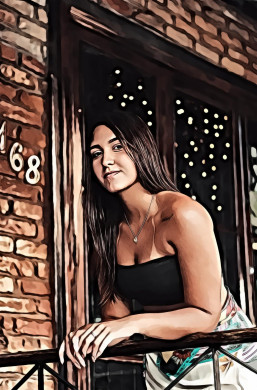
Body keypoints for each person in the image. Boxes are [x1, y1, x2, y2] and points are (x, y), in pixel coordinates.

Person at [59, 110, 257, 389]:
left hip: (226, 358)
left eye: (118, 147)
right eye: (96, 153)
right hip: (164, 367)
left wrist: (134, 324)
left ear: (140, 149)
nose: (106, 161)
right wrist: (89, 335)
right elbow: (116, 319)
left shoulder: (182, 214)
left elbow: (205, 314)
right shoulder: (106, 235)